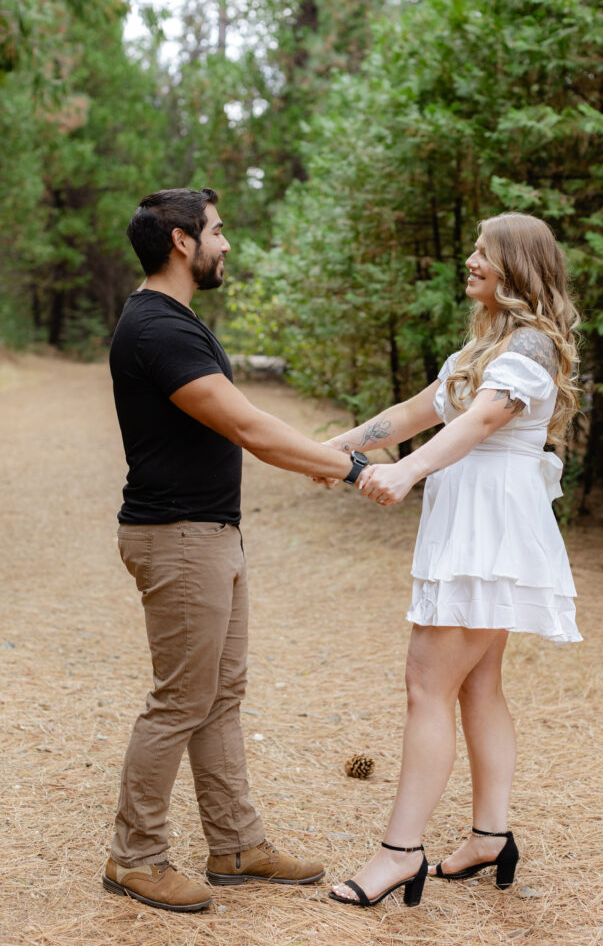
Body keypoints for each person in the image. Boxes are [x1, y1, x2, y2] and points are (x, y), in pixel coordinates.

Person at [105, 187, 365, 913]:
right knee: (180, 701)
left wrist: (325, 451)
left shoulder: (174, 322)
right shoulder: (157, 328)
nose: (227, 245)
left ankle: (236, 845)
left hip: (209, 533)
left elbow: (246, 424)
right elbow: (246, 426)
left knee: (218, 698)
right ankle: (135, 857)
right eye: (219, 231)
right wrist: (344, 467)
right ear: (182, 241)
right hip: (180, 539)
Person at [324, 212, 581, 909]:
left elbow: (480, 422)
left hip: (487, 530)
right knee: (474, 686)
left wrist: (405, 475)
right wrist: (329, 451)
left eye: (482, 252)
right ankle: (489, 837)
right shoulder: (487, 345)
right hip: (478, 525)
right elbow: (415, 412)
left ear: (516, 267)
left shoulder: (527, 346)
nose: (468, 261)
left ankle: (399, 853)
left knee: (425, 686)